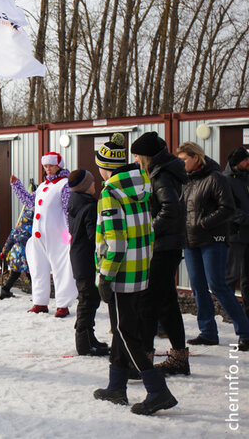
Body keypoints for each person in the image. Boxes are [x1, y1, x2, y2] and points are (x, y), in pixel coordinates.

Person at [92, 134, 178, 415]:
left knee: (126, 333)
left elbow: (115, 242)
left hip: (120, 273)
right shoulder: (140, 186)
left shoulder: (110, 194)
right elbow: (148, 231)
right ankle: (116, 386)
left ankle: (157, 391)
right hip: (140, 270)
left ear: (106, 167)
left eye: (99, 166)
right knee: (121, 329)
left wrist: (105, 275)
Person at [177, 141, 249, 351]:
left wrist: (204, 223)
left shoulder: (215, 178)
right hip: (190, 241)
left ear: (196, 157)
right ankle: (208, 332)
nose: (181, 164)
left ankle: (245, 331)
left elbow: (227, 208)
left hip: (213, 241)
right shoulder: (185, 181)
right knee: (198, 287)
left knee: (218, 286)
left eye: (184, 160)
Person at [131, 132, 189, 374]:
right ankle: (178, 358)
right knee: (166, 302)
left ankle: (144, 360)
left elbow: (170, 207)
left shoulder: (162, 174)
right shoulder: (162, 171)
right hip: (168, 246)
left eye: (136, 155)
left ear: (147, 156)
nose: (134, 160)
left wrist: (149, 230)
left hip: (163, 246)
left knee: (149, 302)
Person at [10, 151, 76, 317]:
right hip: (39, 236)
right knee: (38, 269)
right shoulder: (43, 186)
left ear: (58, 166)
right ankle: (39, 301)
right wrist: (17, 186)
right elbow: (30, 202)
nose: (48, 169)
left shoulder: (65, 184)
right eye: (45, 166)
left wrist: (71, 232)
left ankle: (63, 304)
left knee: (62, 269)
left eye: (51, 166)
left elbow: (69, 210)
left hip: (58, 236)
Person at [67, 169, 109, 356]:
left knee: (89, 298)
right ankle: (83, 342)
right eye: (91, 183)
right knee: (88, 299)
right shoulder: (90, 206)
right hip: (86, 258)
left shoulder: (75, 201)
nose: (95, 185)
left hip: (78, 257)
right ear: (85, 186)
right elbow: (94, 236)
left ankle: (89, 337)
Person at [224, 146, 249, 321]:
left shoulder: (246, 177)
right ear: (236, 162)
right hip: (235, 235)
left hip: (248, 234)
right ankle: (229, 313)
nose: (248, 162)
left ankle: (246, 312)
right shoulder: (225, 180)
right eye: (245, 160)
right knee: (231, 276)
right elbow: (229, 209)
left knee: (247, 277)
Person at [0, 207, 33, 300]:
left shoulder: (16, 229)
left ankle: (5, 290)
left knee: (14, 274)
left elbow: (9, 242)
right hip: (28, 257)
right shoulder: (34, 230)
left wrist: (4, 252)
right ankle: (37, 294)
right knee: (32, 276)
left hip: (15, 256)